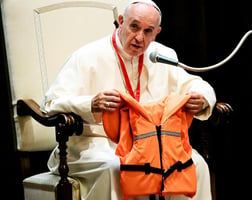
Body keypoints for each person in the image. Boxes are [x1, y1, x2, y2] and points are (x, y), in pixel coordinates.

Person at [41, 0, 216, 199]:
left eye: (148, 31)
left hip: (150, 143)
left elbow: (198, 84)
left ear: (157, 32)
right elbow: (50, 104)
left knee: (196, 164)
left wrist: (202, 100)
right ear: (121, 21)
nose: (139, 38)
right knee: (118, 167)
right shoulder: (87, 56)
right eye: (134, 27)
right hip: (95, 143)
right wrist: (91, 103)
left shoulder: (161, 56)